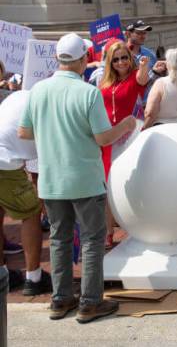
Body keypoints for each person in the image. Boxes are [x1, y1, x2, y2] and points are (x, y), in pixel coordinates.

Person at [18, 33, 136, 322]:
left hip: (51, 179)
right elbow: (102, 137)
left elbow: (24, 132)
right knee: (92, 241)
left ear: (59, 59)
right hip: (84, 178)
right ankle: (91, 301)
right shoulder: (88, 92)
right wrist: (126, 124)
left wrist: (51, 131)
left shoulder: (38, 90)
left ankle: (61, 299)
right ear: (83, 59)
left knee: (59, 239)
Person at [98, 39, 149, 247]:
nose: (121, 62)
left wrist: (144, 66)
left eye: (124, 58)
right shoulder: (105, 82)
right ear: (110, 62)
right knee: (106, 188)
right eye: (116, 59)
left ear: (130, 59)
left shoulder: (135, 78)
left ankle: (138, 227)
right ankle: (108, 232)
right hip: (106, 139)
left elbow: (143, 79)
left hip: (126, 139)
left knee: (126, 185)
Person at [0, 89, 50, 295]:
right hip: (5, 163)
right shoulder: (45, 105)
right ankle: (34, 277)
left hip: (5, 159)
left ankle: (2, 274)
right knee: (31, 213)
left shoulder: (17, 96)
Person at [143, 48, 177, 129]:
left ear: (170, 64)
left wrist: (144, 130)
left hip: (164, 129)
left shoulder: (161, 83)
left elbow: (150, 113)